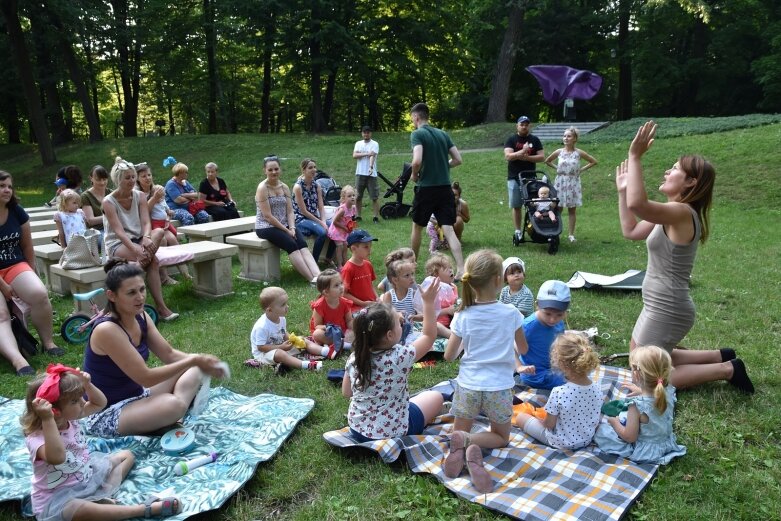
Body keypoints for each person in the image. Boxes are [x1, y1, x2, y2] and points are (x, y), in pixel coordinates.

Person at [616, 121, 753, 393]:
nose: (668, 171)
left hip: (669, 306)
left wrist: (635, 157)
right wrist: (622, 191)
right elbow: (631, 230)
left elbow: (639, 205)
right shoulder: (670, 211)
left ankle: (727, 369)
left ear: (691, 181)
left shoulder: (681, 212)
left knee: (643, 377)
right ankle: (719, 355)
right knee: (642, 355)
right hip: (658, 301)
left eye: (675, 168)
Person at [82, 260, 227, 437]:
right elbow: (146, 377)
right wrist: (194, 359)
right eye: (131, 293)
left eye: (142, 289)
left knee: (194, 369)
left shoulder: (141, 316)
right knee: (174, 403)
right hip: (107, 410)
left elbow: (169, 354)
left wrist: (202, 362)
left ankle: (172, 417)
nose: (140, 297)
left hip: (138, 393)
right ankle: (172, 412)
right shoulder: (107, 329)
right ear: (112, 296)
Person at [21, 364, 182, 520]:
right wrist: (47, 420)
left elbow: (99, 403)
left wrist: (88, 385)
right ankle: (141, 510)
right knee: (78, 508)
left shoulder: (69, 417)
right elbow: (57, 457)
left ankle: (103, 498)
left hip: (86, 478)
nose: (82, 402)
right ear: (54, 411)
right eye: (74, 401)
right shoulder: (37, 438)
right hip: (56, 501)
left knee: (127, 455)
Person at [442, 250, 528, 494]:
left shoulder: (462, 315)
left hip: (468, 385)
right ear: (497, 280)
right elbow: (523, 348)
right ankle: (472, 443)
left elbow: (449, 355)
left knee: (458, 432)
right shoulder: (512, 314)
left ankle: (462, 442)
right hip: (498, 388)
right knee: (501, 437)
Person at [342, 277, 444, 442]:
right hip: (394, 431)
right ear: (390, 335)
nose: (402, 324)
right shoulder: (400, 356)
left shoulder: (355, 357)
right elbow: (429, 336)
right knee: (436, 397)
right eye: (399, 323)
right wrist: (428, 303)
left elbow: (347, 393)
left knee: (416, 401)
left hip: (358, 430)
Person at [0, 171, 63, 377]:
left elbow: (27, 247)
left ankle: (48, 343)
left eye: (9, 186)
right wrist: (4, 286)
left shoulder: (17, 211)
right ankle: (18, 360)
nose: (7, 190)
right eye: (1, 186)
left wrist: (32, 271)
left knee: (39, 293)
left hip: (14, 265)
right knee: (1, 314)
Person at [102, 157, 178, 321]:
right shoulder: (108, 202)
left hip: (139, 239)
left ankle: (137, 268)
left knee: (158, 233)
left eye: (132, 177)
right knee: (153, 262)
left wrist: (145, 237)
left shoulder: (140, 196)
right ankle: (161, 308)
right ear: (118, 180)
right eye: (127, 178)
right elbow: (119, 231)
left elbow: (146, 221)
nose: (131, 181)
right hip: (118, 243)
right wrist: (135, 248)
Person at [594, 345, 687, 465]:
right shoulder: (667, 391)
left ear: (637, 375)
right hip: (665, 442)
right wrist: (640, 391)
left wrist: (614, 422)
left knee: (602, 432)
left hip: (647, 451)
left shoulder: (636, 406)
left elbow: (629, 437)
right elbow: (653, 400)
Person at [514, 332, 602, 450]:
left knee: (520, 417)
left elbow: (549, 425)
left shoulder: (559, 392)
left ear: (561, 363)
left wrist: (540, 419)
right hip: (586, 439)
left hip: (560, 442)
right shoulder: (597, 388)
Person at [408, 102, 465, 277]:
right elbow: (457, 159)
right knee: (448, 228)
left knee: (417, 227)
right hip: (444, 189)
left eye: (412, 119)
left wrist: (414, 175)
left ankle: (411, 265)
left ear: (416, 117)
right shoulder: (442, 134)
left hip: (426, 188)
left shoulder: (417, 134)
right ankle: (461, 269)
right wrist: (443, 166)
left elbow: (417, 161)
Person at [254, 156, 320, 282]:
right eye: (270, 170)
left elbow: (290, 211)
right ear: (265, 170)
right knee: (290, 244)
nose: (274, 172)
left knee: (301, 243)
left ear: (280, 169)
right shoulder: (262, 188)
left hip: (286, 225)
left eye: (276, 169)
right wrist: (287, 230)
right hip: (266, 226)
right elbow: (267, 216)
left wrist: (293, 227)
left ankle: (319, 276)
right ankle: (311, 279)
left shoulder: (284, 187)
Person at [249, 286, 332, 372]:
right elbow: (261, 347)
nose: (287, 306)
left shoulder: (281, 318)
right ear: (270, 310)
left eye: (286, 303)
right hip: (264, 354)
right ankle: (306, 365)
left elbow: (283, 333)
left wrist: (293, 340)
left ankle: (326, 351)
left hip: (280, 346)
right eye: (283, 305)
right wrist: (281, 347)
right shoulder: (262, 327)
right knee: (280, 354)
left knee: (302, 339)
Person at [135, 163, 191, 285]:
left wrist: (167, 217)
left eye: (149, 175)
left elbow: (164, 207)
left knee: (173, 240)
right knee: (163, 241)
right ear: (137, 179)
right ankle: (164, 277)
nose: (148, 178)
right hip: (146, 228)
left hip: (161, 225)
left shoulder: (156, 189)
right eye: (143, 176)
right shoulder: (137, 194)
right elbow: (143, 213)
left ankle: (186, 274)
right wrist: (154, 198)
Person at [544, 126, 598, 242]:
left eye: (569, 136)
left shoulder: (578, 153)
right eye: (564, 136)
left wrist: (581, 170)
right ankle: (555, 232)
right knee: (558, 208)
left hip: (573, 183)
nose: (566, 138)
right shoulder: (559, 152)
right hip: (560, 182)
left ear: (574, 139)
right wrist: (557, 168)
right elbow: (547, 161)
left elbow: (593, 161)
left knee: (572, 210)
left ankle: (571, 234)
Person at [519, 280, 571, 390]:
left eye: (559, 315)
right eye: (547, 314)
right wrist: (519, 367)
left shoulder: (559, 321)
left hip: (554, 367)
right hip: (536, 374)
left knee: (582, 371)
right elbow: (511, 348)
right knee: (573, 384)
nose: (552, 319)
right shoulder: (528, 326)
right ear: (537, 305)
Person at [504, 116, 545, 241]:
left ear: (529, 126)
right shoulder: (511, 139)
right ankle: (518, 231)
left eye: (526, 124)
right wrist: (522, 151)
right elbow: (508, 156)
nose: (524, 126)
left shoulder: (535, 139)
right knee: (516, 205)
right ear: (517, 126)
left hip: (531, 177)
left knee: (533, 205)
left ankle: (535, 228)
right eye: (521, 124)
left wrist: (527, 158)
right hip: (514, 177)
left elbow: (541, 157)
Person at [292, 159, 335, 266]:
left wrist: (324, 221)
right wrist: (321, 223)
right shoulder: (298, 187)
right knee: (322, 232)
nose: (314, 170)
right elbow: (303, 211)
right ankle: (313, 262)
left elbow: (320, 206)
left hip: (314, 217)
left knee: (335, 229)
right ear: (303, 170)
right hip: (300, 219)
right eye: (310, 168)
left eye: (314, 167)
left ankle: (328, 258)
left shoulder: (317, 186)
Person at [309, 269, 354, 353]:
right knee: (317, 334)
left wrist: (355, 326)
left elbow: (349, 320)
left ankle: (340, 343)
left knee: (359, 330)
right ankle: (344, 345)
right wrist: (327, 328)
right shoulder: (319, 306)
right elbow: (317, 326)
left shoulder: (344, 302)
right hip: (328, 333)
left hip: (342, 331)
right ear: (326, 292)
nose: (341, 287)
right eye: (336, 285)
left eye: (341, 283)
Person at [381, 259, 420, 344]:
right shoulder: (389, 296)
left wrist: (415, 317)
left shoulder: (413, 294)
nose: (412, 278)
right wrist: (396, 315)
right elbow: (385, 316)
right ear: (395, 280)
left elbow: (424, 315)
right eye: (407, 276)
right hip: (394, 335)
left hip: (410, 333)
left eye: (412, 274)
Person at [421, 253, 458, 338]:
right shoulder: (434, 290)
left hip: (452, 322)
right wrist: (447, 311)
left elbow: (454, 304)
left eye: (451, 268)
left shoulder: (453, 287)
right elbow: (428, 313)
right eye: (446, 269)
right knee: (437, 326)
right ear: (436, 275)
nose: (450, 270)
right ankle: (455, 337)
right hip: (437, 323)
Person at [341, 229, 378, 312]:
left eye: (370, 246)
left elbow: (370, 285)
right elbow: (344, 293)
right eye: (366, 247)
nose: (370, 250)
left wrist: (377, 298)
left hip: (371, 305)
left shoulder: (368, 264)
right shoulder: (348, 269)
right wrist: (363, 303)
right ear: (354, 248)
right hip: (357, 308)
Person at [352, 125, 380, 223]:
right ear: (362, 133)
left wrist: (371, 167)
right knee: (358, 196)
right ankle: (358, 216)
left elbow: (372, 156)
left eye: (368, 132)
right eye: (364, 132)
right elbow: (355, 155)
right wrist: (367, 154)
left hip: (371, 174)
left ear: (370, 134)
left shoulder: (375, 144)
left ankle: (375, 217)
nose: (366, 134)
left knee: (374, 196)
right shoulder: (358, 143)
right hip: (359, 173)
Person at [327, 185, 357, 269]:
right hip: (337, 230)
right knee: (339, 246)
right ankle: (339, 265)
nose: (352, 197)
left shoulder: (353, 208)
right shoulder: (343, 209)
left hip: (344, 230)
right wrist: (344, 228)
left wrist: (352, 227)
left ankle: (346, 263)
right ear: (344, 198)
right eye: (349, 196)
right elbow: (335, 221)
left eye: (353, 195)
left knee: (345, 245)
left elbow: (352, 219)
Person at [80, 165, 110, 234]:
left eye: (104, 179)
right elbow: (91, 220)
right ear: (91, 178)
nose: (102, 183)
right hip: (97, 231)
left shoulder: (111, 193)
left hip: (113, 227)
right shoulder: (86, 196)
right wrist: (111, 216)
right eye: (98, 180)